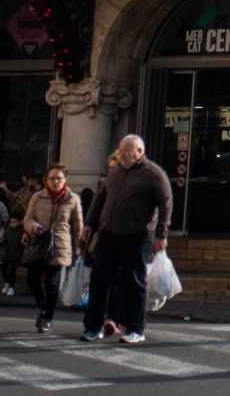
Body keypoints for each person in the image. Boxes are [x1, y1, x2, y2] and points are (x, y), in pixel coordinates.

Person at [82, 134, 173, 345]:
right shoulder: (115, 172)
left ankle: (135, 329)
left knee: (135, 283)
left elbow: (165, 205)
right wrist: (89, 224)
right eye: (121, 152)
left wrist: (161, 235)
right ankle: (92, 327)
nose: (123, 156)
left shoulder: (153, 174)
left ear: (139, 152)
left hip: (138, 235)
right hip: (108, 234)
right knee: (99, 280)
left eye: (127, 152)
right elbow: (99, 200)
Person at [22, 164, 85, 333]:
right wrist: (33, 227)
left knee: (52, 284)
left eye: (59, 178)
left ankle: (47, 318)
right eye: (52, 178)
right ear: (46, 180)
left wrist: (79, 248)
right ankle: (44, 308)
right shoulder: (37, 196)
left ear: (65, 180)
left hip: (60, 246)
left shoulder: (73, 199)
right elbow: (27, 218)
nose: (55, 181)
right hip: (39, 245)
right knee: (32, 281)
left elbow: (78, 228)